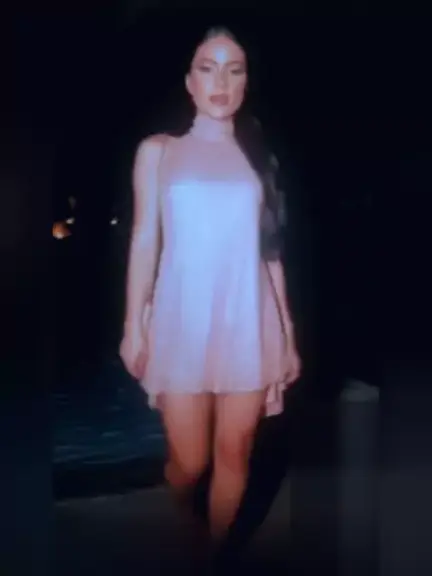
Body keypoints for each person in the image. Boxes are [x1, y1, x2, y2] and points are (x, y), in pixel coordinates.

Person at [120, 26, 301, 557]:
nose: (221, 81)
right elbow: (144, 239)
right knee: (190, 462)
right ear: (189, 81)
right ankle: (185, 513)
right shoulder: (159, 151)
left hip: (250, 322)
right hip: (181, 321)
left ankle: (212, 555)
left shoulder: (258, 159)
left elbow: (270, 255)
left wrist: (288, 338)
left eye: (234, 69)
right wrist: (133, 326)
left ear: (246, 82)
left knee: (235, 453)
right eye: (208, 68)